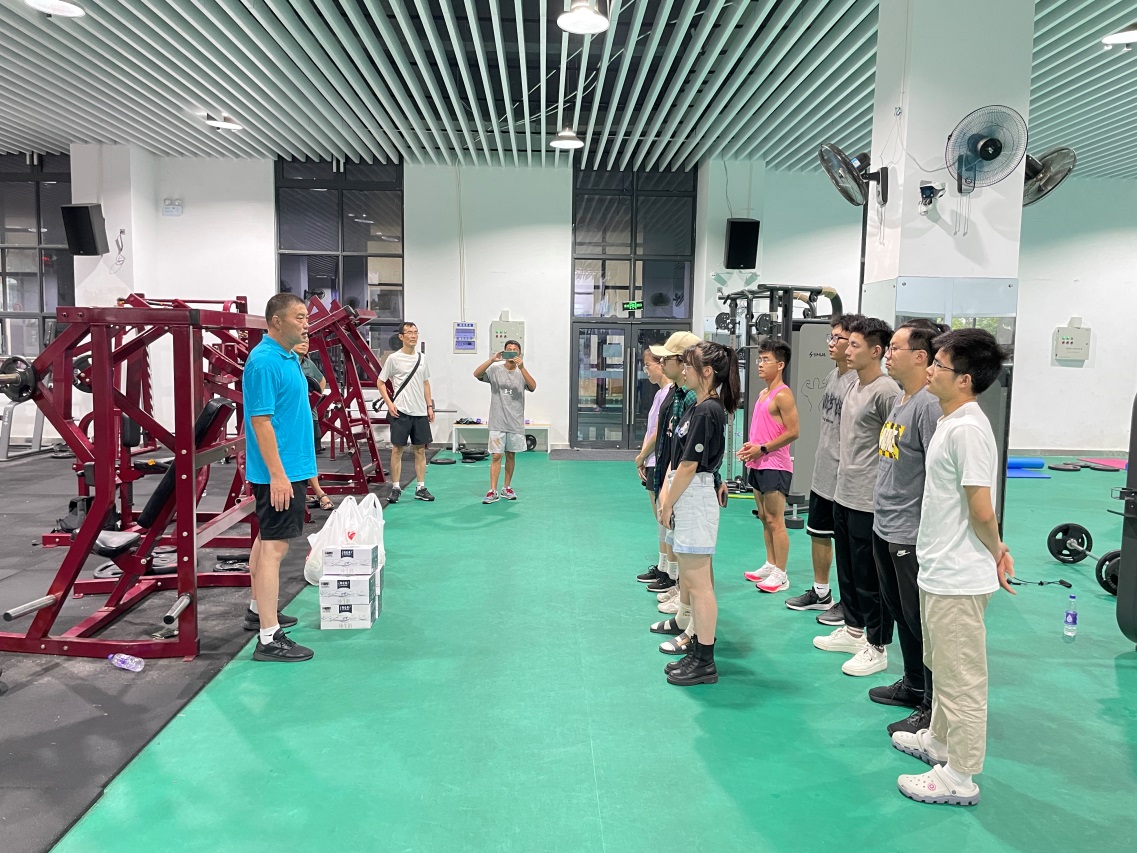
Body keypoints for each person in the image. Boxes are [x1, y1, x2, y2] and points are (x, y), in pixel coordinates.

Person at [892, 328, 1014, 807]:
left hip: (959, 577)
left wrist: (998, 550)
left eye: (939, 365)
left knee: (962, 679)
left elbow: (981, 509)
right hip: (939, 568)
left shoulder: (967, 431)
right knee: (942, 666)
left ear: (964, 379)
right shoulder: (949, 421)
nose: (930, 370)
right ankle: (940, 742)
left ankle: (960, 776)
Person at [871, 321, 946, 736]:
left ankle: (931, 706)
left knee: (920, 621)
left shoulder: (928, 406)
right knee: (901, 613)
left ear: (920, 356)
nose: (888, 353)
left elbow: (939, 475)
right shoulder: (902, 399)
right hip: (886, 524)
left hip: (911, 532)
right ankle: (914, 684)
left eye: (895, 348)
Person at [813, 317, 899, 677]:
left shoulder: (886, 392)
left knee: (870, 577)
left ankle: (877, 646)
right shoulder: (852, 386)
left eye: (854, 345)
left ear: (875, 351)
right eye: (846, 343)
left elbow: (894, 449)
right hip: (843, 493)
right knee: (847, 572)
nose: (846, 349)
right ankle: (852, 631)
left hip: (868, 499)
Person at [657, 341, 741, 686]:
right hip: (687, 494)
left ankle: (705, 659)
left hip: (694, 495)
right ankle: (697, 649)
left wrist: (667, 503)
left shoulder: (708, 410)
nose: (684, 370)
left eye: (689, 366)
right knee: (693, 579)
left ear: (706, 372)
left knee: (700, 584)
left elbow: (690, 464)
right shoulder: (698, 406)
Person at [242, 293, 317, 662]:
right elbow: (260, 422)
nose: (306, 323)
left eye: (306, 317)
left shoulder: (288, 357)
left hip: (291, 468)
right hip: (279, 472)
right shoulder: (264, 362)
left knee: (265, 540)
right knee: (275, 549)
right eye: (299, 317)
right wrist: (278, 476)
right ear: (275, 321)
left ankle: (258, 609)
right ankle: (269, 638)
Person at [785, 314, 861, 620]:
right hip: (823, 472)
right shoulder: (833, 377)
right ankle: (820, 593)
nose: (831, 343)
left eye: (837, 338)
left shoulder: (860, 384)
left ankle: (849, 603)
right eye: (831, 337)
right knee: (818, 532)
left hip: (846, 479)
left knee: (847, 544)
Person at [641, 331, 703, 637]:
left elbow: (690, 456)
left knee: (692, 556)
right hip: (671, 476)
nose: (662, 363)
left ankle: (692, 620)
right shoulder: (677, 395)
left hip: (687, 485)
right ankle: (682, 599)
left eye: (667, 358)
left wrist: (670, 487)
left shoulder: (697, 401)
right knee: (676, 539)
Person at [737, 338, 799, 593]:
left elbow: (794, 432)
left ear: (780, 365)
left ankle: (781, 574)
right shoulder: (763, 393)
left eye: (766, 360)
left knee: (775, 520)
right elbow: (765, 429)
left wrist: (762, 448)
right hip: (758, 463)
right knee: (764, 517)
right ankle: (771, 564)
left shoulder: (783, 395)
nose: (760, 364)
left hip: (775, 465)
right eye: (759, 359)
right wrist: (752, 447)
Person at [376, 321, 435, 503]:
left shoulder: (422, 358)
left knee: (420, 450)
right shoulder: (394, 359)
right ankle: (395, 487)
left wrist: (429, 406)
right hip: (400, 411)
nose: (413, 335)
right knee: (397, 450)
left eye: (415, 332)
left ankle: (420, 487)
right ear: (401, 337)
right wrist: (389, 404)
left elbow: (425, 383)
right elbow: (380, 382)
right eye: (409, 332)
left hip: (420, 412)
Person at [473, 339, 537, 503]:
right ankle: (492, 490)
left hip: (515, 422)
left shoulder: (521, 372)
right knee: (496, 456)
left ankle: (506, 487)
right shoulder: (495, 369)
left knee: (510, 455)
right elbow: (477, 374)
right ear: (504, 351)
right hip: (497, 421)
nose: (512, 352)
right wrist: (492, 359)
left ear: (519, 354)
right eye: (509, 349)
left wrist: (522, 368)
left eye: (515, 350)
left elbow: (533, 386)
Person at [634, 347, 672, 605]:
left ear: (662, 364)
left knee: (664, 517)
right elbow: (650, 430)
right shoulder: (659, 393)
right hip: (651, 459)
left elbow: (659, 431)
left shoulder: (669, 393)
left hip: (660, 461)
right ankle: (662, 565)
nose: (646, 370)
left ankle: (670, 572)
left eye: (648, 365)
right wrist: (643, 455)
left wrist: (642, 456)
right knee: (658, 518)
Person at [294, 334, 333, 511]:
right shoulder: (285, 362)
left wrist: (313, 399)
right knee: (297, 456)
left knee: (308, 456)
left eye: (307, 341)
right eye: (301, 340)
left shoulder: (308, 364)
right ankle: (318, 492)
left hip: (310, 416)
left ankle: (308, 491)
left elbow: (321, 381)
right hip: (291, 419)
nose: (305, 344)